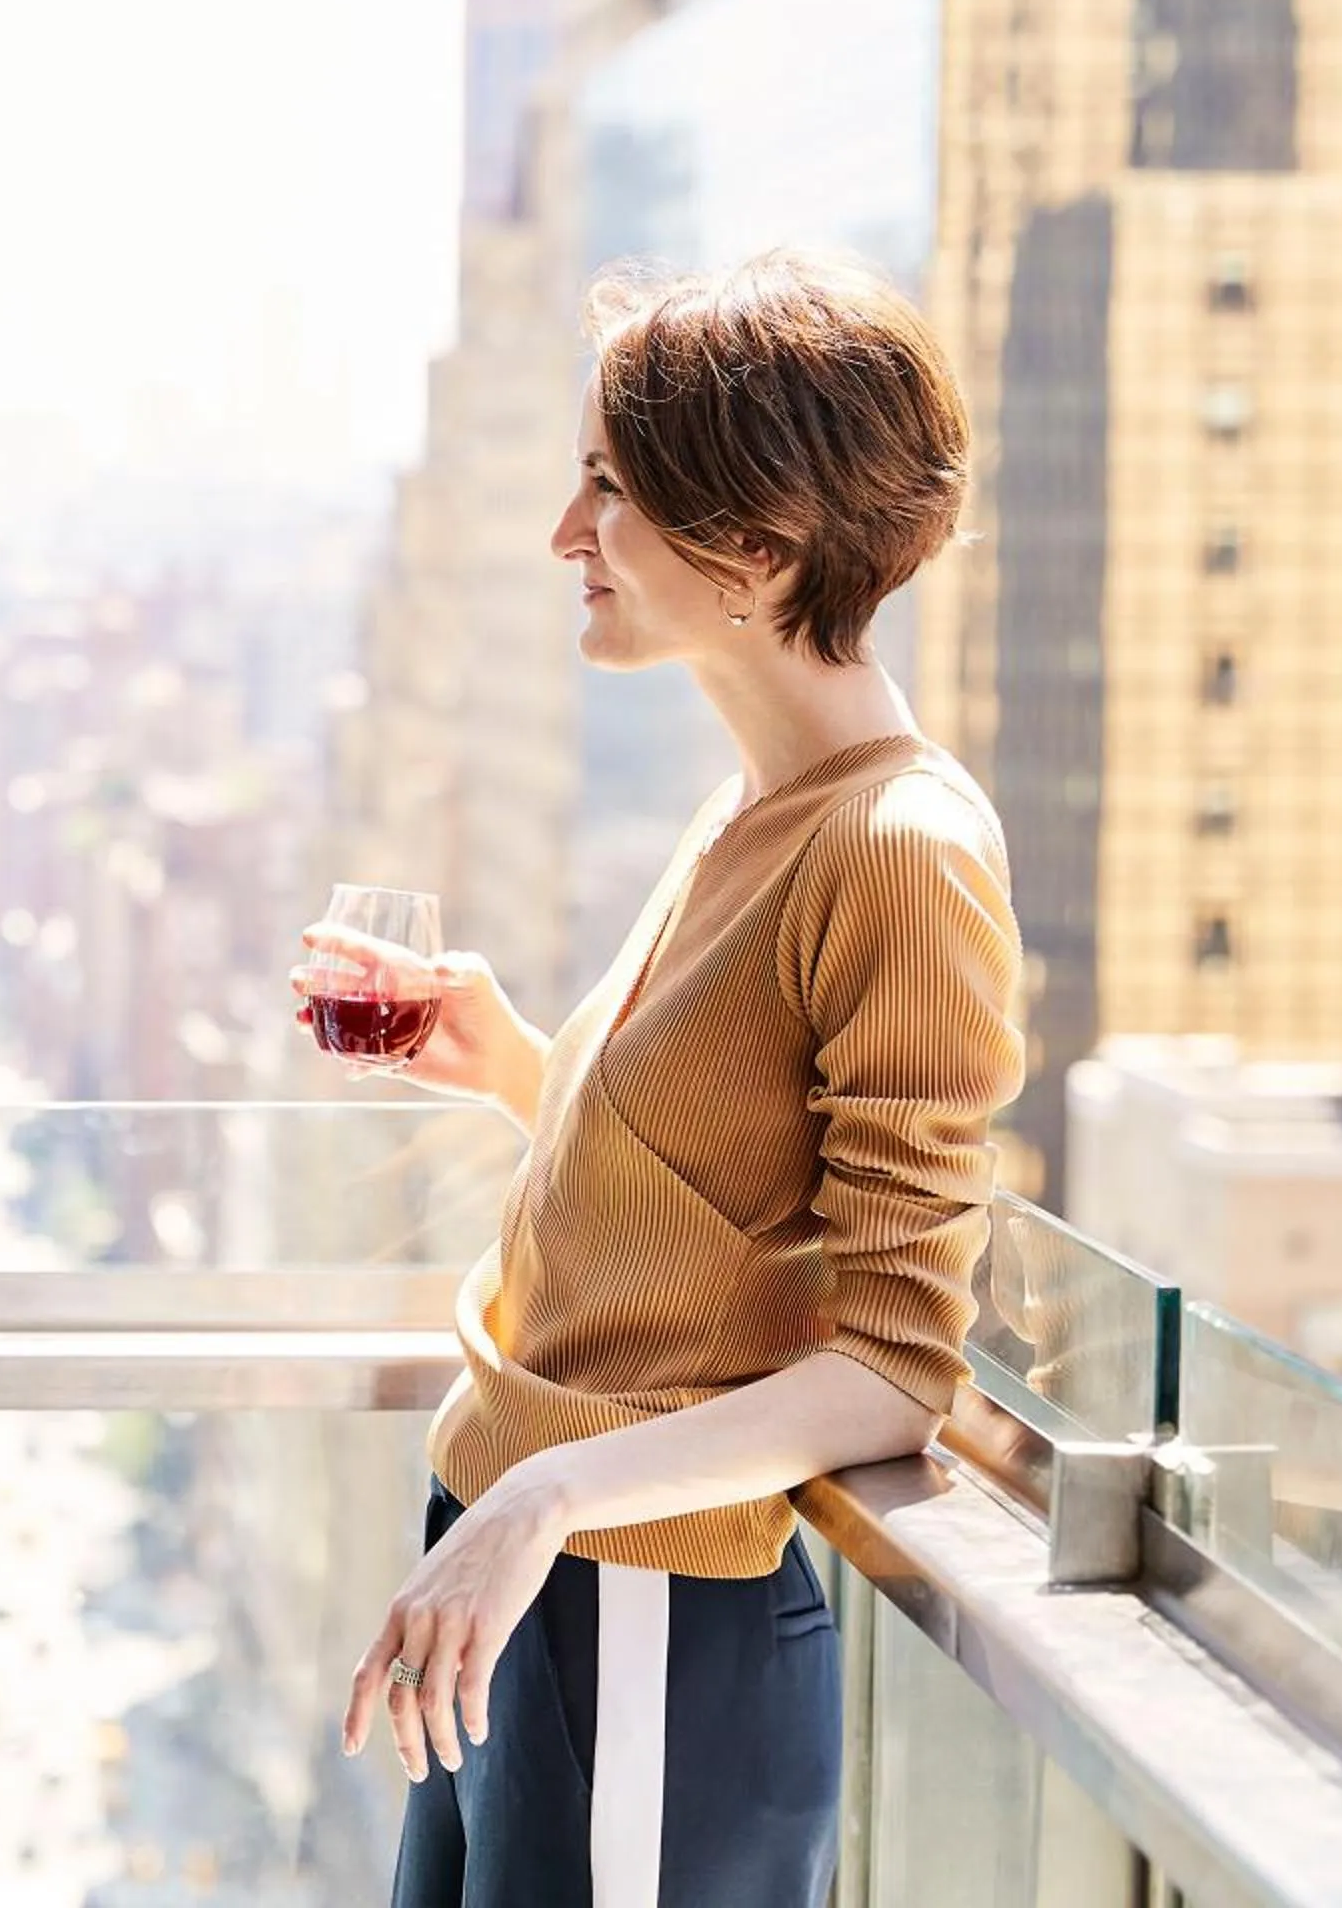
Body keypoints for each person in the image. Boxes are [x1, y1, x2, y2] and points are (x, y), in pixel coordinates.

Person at [305, 250, 1025, 1907]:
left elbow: (897, 1369)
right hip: (535, 1581)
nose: (568, 536)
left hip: (635, 1604)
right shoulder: (761, 806)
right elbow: (712, 1220)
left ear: (758, 549)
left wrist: (549, 1497)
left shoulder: (897, 849)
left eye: (609, 492)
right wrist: (511, 1065)